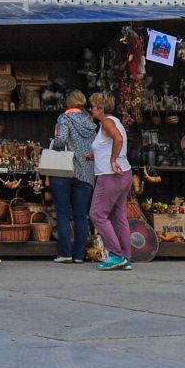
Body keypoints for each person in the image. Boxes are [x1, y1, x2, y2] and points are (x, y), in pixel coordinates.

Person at [87, 91, 134, 270]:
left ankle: (115, 254)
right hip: (124, 174)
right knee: (118, 216)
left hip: (109, 176)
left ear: (100, 108)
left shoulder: (106, 122)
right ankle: (126, 257)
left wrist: (112, 160)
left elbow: (118, 140)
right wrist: (94, 155)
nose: (91, 110)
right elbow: (111, 143)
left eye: (92, 107)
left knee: (97, 214)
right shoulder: (115, 121)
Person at [49, 90, 96, 264]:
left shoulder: (64, 118)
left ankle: (65, 253)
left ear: (69, 103)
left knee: (62, 213)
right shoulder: (90, 121)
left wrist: (53, 142)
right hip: (85, 172)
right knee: (81, 215)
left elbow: (61, 140)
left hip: (64, 169)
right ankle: (79, 255)